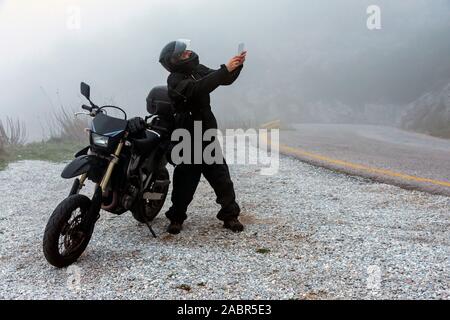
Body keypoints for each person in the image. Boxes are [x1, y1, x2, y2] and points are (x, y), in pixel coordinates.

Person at [159, 39, 247, 235]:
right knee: (184, 180)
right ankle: (176, 218)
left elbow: (223, 79)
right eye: (182, 53)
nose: (188, 53)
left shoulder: (197, 68)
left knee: (221, 177)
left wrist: (236, 66)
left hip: (206, 132)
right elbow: (197, 88)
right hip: (186, 134)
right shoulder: (174, 79)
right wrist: (225, 69)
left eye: (186, 51)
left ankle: (230, 216)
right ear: (173, 61)